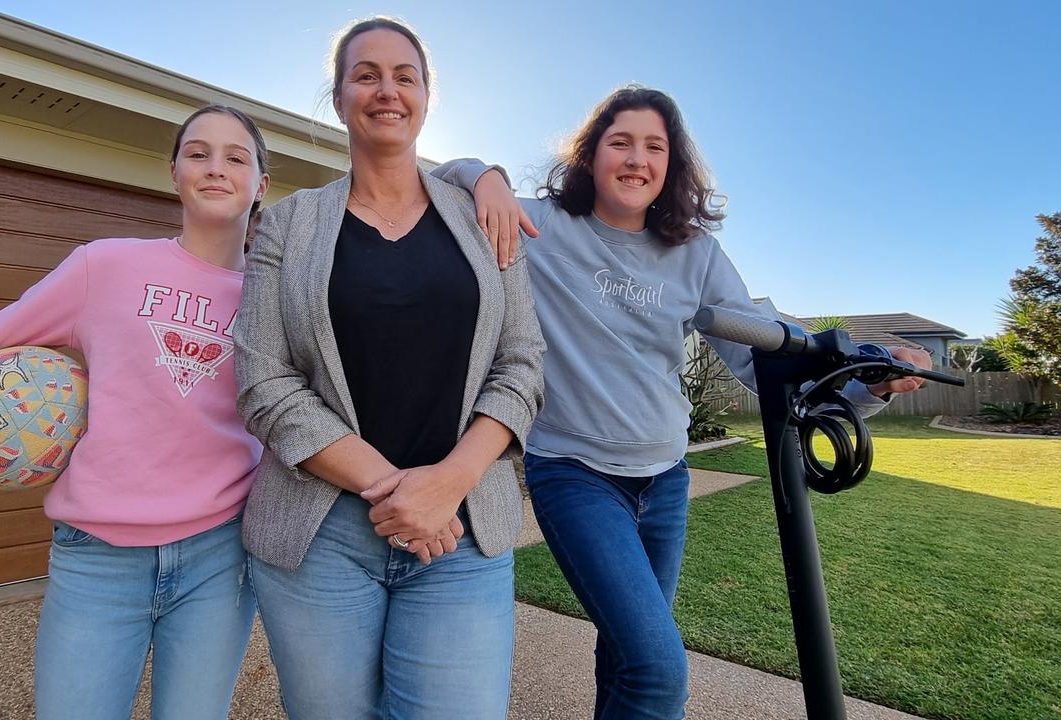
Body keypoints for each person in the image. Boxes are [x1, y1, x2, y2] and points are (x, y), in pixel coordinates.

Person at [436, 85, 933, 720]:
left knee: (627, 656)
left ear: (672, 165)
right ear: (590, 156)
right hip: (574, 474)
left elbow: (763, 357)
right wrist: (489, 178)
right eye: (620, 142)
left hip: (666, 481)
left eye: (654, 147)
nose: (636, 159)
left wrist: (873, 379)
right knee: (659, 668)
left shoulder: (695, 253)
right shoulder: (543, 225)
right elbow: (441, 177)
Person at [0, 105, 271, 720]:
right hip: (96, 557)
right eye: (198, 153)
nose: (215, 168)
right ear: (174, 172)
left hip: (222, 558)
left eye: (235, 156)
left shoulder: (273, 298)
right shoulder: (105, 266)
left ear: (261, 184)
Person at [233, 17, 545, 720]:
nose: (387, 90)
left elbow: (522, 365)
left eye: (405, 75)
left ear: (428, 96)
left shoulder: (483, 218)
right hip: (322, 536)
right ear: (339, 97)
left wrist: (449, 485)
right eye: (366, 74)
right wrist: (397, 493)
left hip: (461, 535)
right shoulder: (289, 224)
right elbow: (262, 380)